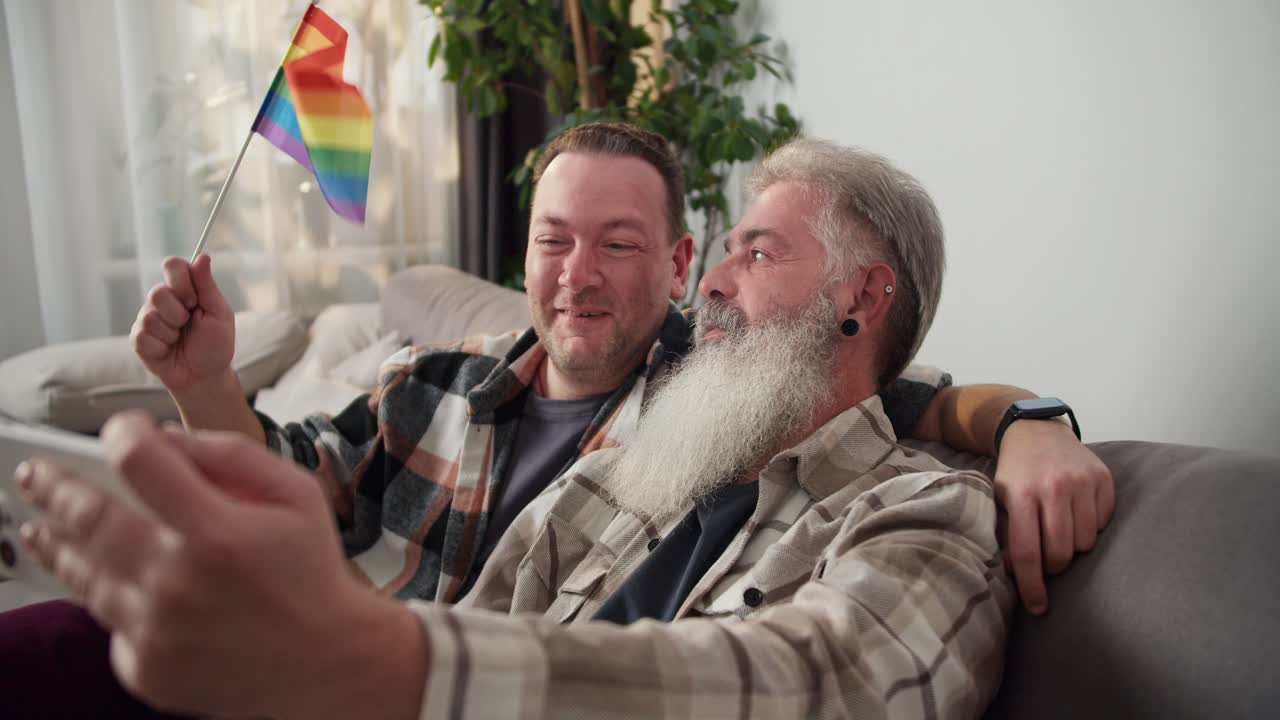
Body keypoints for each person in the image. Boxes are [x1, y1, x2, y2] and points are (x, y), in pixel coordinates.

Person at [0, 123, 1106, 714]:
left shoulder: (924, 509)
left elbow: (830, 682)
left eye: (751, 252)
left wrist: (1034, 420)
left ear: (862, 299)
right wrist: (207, 390)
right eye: (551, 239)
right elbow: (484, 611)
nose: (715, 285)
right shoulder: (638, 450)